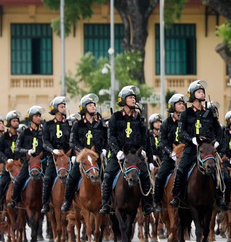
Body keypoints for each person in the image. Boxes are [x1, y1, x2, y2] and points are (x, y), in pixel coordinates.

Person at [168, 80, 226, 209]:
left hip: (207, 149)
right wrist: (191, 139)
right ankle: (176, 196)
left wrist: (216, 142)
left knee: (220, 172)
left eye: (203, 92)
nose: (202, 94)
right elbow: (181, 133)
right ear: (192, 95)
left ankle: (219, 197)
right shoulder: (185, 114)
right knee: (180, 170)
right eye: (199, 92)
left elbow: (219, 130)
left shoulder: (210, 113)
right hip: (191, 148)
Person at [100, 86, 154, 215]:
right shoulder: (115, 117)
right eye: (130, 98)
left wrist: (143, 150)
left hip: (135, 153)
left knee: (146, 175)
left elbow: (143, 136)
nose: (133, 100)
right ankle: (106, 203)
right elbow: (111, 136)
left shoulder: (139, 118)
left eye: (134, 97)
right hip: (119, 153)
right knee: (107, 175)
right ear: (123, 100)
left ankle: (147, 204)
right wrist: (117, 151)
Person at [60, 94, 107, 213]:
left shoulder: (100, 124)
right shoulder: (78, 125)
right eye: (90, 105)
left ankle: (108, 202)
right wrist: (82, 152)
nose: (93, 107)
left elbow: (107, 139)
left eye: (94, 105)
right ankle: (67, 201)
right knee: (72, 177)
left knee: (107, 176)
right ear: (84, 108)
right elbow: (72, 141)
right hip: (83, 158)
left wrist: (105, 149)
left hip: (97, 157)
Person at [153, 93, 186, 212]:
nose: (182, 106)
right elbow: (162, 141)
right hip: (170, 156)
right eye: (179, 104)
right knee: (160, 176)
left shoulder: (187, 122)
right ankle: (157, 202)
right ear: (172, 106)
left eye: (183, 104)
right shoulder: (166, 123)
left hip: (185, 155)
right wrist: (170, 153)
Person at [8, 106, 45, 208]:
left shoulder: (43, 132)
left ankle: (49, 202)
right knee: (19, 180)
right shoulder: (24, 133)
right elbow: (17, 148)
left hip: (41, 161)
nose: (39, 118)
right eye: (36, 116)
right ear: (31, 118)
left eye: (39, 116)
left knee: (50, 178)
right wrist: (27, 151)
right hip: (28, 162)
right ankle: (14, 200)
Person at [41, 96, 71, 214]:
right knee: (47, 178)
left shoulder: (69, 124)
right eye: (61, 106)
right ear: (55, 109)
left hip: (67, 156)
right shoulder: (48, 125)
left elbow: (72, 140)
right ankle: (45, 203)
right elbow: (45, 142)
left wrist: (70, 153)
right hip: (53, 157)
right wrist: (52, 150)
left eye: (64, 106)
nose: (64, 108)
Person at [0, 111, 22, 212]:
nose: (16, 123)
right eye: (14, 121)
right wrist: (6, 160)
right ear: (9, 123)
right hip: (9, 165)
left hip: (19, 165)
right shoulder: (3, 137)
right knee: (3, 183)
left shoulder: (20, 135)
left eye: (17, 121)